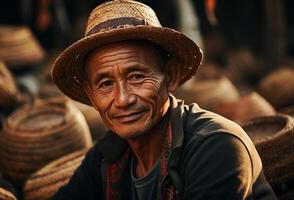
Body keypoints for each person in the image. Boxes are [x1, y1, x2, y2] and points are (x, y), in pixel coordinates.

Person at [50, 0, 277, 199]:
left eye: (137, 77)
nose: (122, 99)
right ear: (90, 94)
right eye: (105, 84)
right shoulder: (108, 155)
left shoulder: (216, 146)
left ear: (171, 77)